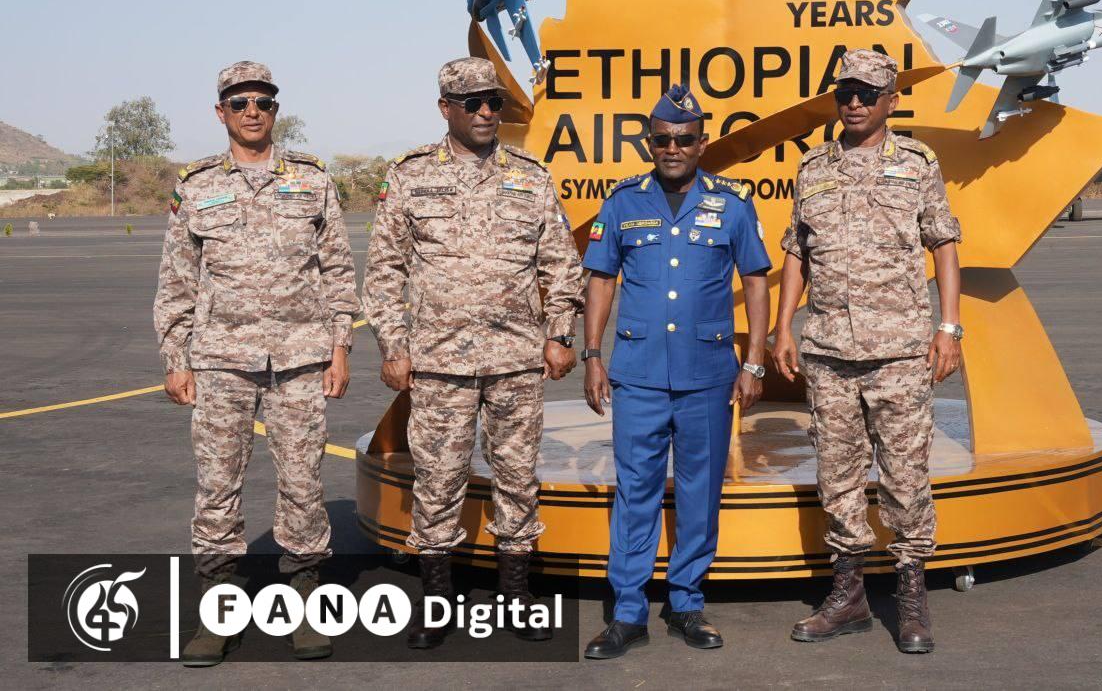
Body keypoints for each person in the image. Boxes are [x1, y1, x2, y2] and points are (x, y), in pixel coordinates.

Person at [362, 56, 584, 648]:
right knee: (437, 480)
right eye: (473, 103)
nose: (487, 112)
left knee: (517, 477)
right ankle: (437, 599)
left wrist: (560, 333)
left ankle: (515, 595)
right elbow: (384, 270)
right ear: (446, 109)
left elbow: (561, 263)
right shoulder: (410, 176)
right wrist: (394, 346)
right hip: (439, 362)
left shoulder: (530, 176)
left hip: (516, 359)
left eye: (495, 103)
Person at [154, 61, 358, 666]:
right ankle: (218, 608)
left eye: (263, 102)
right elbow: (176, 280)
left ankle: (305, 601)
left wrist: (340, 347)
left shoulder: (312, 181)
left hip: (300, 358)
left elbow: (338, 271)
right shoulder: (196, 186)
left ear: (276, 110)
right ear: (220, 112)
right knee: (218, 485)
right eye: (240, 102)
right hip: (221, 360)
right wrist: (176, 358)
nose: (252, 112)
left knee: (303, 483)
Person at [772, 49, 963, 654]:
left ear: (891, 101)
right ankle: (849, 594)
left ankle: (911, 597)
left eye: (866, 93)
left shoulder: (917, 163)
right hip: (829, 351)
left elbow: (944, 244)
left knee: (906, 477)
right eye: (844, 93)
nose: (853, 103)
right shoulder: (812, 167)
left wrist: (949, 327)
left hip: (900, 350)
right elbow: (797, 251)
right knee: (837, 477)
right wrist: (782, 327)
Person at [580, 84, 772, 659]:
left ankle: (687, 601)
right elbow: (601, 280)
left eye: (684, 139)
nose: (673, 148)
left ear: (701, 143)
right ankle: (629, 612)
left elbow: (755, 280)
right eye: (662, 139)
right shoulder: (622, 202)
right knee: (634, 491)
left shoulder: (732, 204)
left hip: (707, 374)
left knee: (699, 492)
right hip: (637, 374)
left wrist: (754, 361)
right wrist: (593, 355)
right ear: (649, 142)